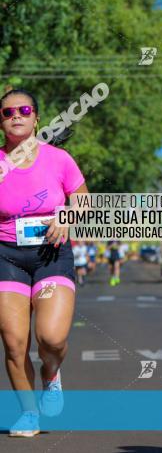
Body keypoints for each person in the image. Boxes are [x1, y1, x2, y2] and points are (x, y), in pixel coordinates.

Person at [0, 89, 88, 437]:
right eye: (7, 112)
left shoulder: (58, 159)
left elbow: (82, 199)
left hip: (52, 255)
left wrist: (66, 215)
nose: (16, 115)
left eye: (24, 110)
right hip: (7, 256)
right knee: (13, 341)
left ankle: (51, 373)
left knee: (50, 338)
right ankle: (29, 414)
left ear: (36, 116)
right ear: (1, 121)